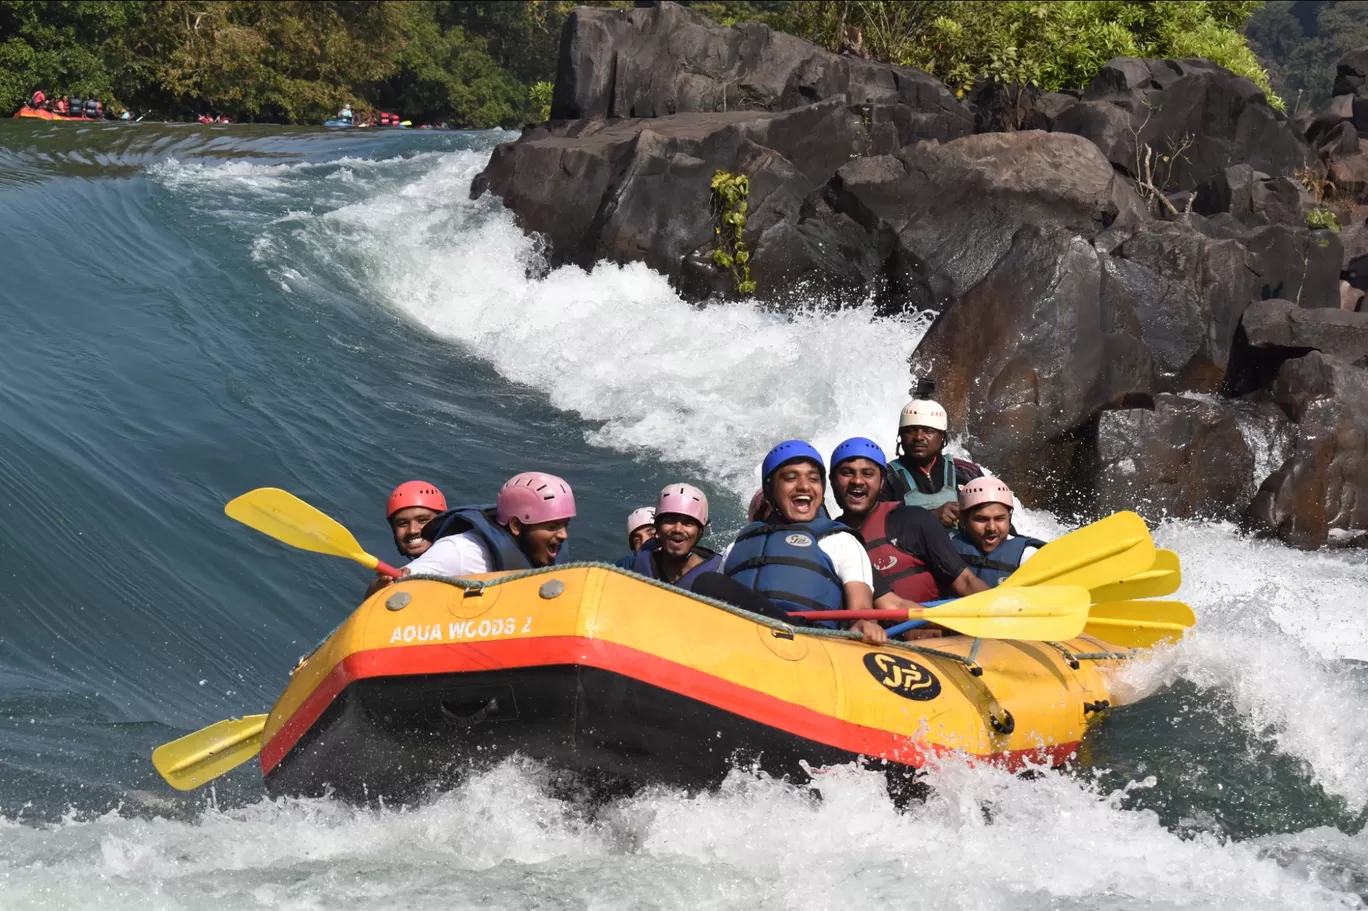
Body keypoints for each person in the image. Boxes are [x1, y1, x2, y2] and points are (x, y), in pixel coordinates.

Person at [712, 441, 886, 645]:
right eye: (790, 478)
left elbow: (861, 608)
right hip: (739, 642)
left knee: (707, 582)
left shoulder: (839, 541)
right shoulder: (737, 547)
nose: (804, 486)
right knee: (707, 583)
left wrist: (863, 623)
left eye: (813, 479)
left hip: (807, 641)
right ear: (770, 491)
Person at [830, 437, 989, 603]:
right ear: (832, 481)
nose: (857, 481)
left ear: (882, 481)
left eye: (868, 474)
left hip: (930, 625)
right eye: (847, 473)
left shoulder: (913, 520)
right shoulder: (829, 539)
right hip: (873, 627)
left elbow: (965, 582)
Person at [401, 471, 574, 577]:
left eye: (565, 525)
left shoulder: (549, 549)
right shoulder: (461, 550)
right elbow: (395, 585)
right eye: (552, 527)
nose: (563, 535)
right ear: (516, 526)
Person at [882, 398, 984, 528]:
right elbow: (878, 526)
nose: (918, 437)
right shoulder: (886, 477)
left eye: (928, 430)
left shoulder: (968, 473)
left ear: (942, 436)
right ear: (900, 436)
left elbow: (997, 518)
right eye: (910, 430)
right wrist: (931, 517)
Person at [952, 478, 1046, 587]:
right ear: (963, 519)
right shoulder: (949, 547)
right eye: (982, 519)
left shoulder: (1027, 556)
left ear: (1009, 519)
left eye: (999, 519)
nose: (991, 528)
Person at [630, 484, 721, 588]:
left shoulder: (718, 573)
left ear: (701, 531)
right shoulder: (637, 561)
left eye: (688, 523)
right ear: (657, 527)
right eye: (670, 521)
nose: (678, 529)